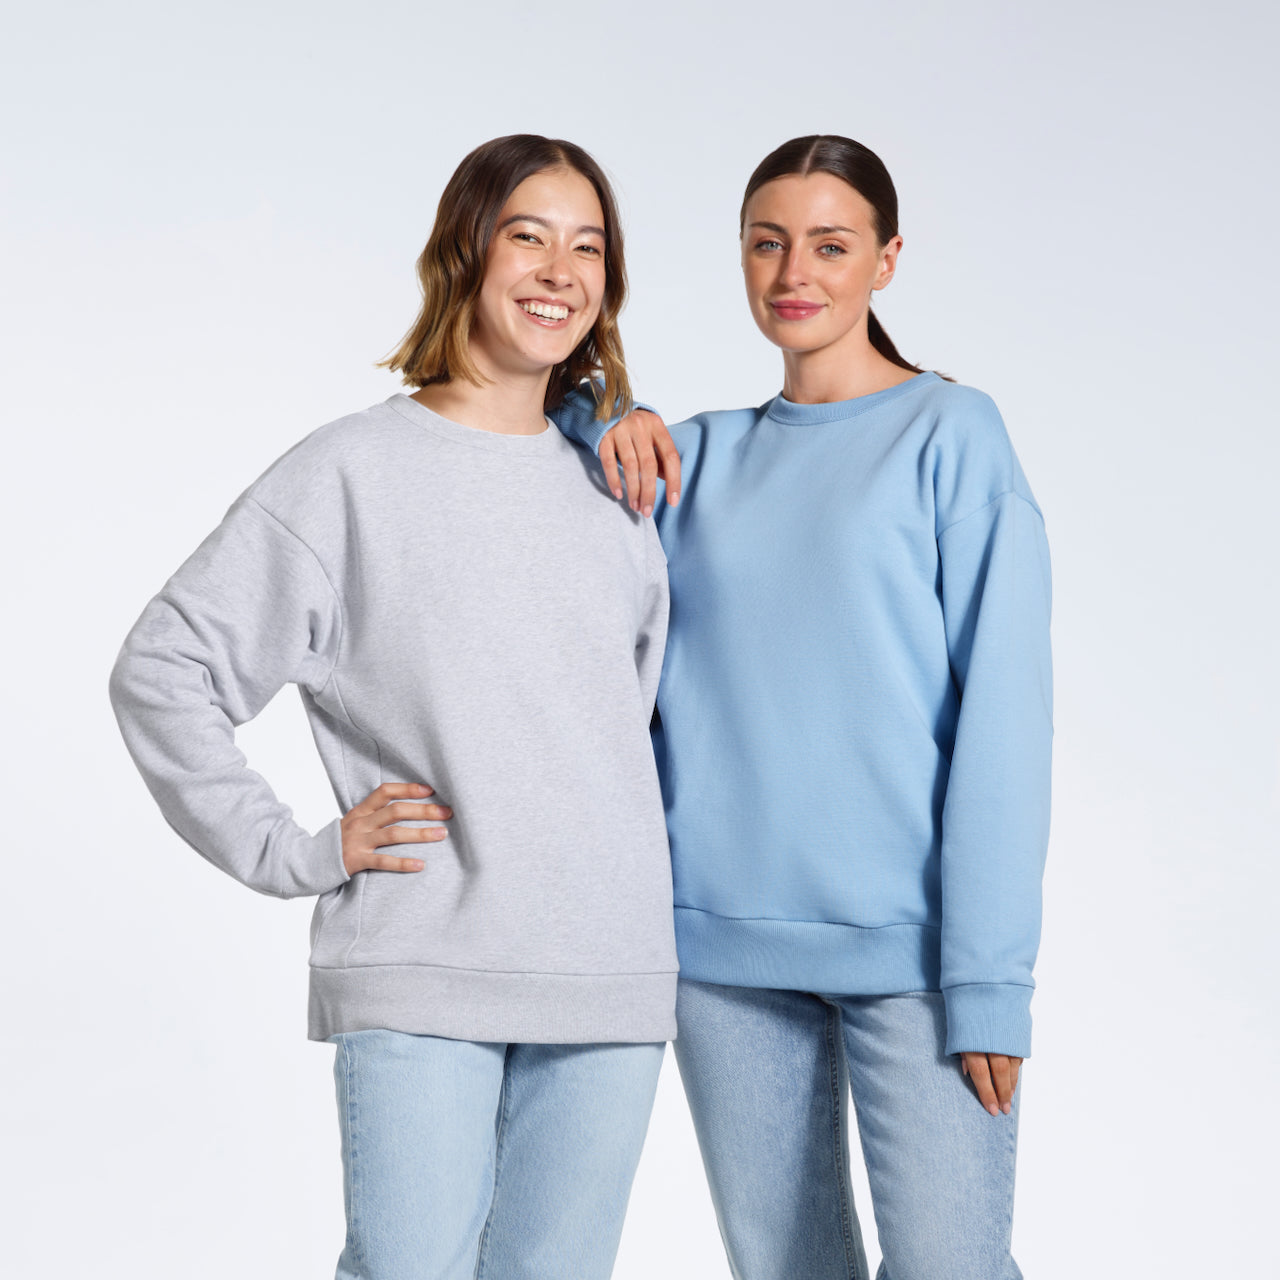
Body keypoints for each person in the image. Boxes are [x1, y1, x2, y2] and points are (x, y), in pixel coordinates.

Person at [109, 134, 676, 1280]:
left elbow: (633, 729)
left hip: (607, 977)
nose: (558, 270)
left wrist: (611, 405)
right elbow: (162, 668)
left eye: (587, 248)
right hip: (423, 963)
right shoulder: (349, 472)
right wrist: (295, 849)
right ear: (464, 250)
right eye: (527, 235)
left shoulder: (619, 487)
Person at [553, 134, 1052, 1279]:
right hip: (718, 950)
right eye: (765, 243)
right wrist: (612, 405)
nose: (793, 273)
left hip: (914, 953)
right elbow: (546, 407)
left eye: (829, 245)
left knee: (951, 1265)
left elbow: (1005, 722)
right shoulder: (693, 460)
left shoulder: (951, 433)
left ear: (885, 260)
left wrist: (987, 979)